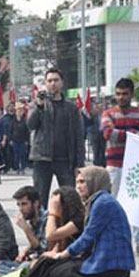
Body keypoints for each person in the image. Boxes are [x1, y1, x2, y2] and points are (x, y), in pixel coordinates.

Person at [51, 166, 135, 277]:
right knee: (61, 269)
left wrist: (64, 254)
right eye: (77, 182)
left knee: (58, 273)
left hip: (113, 263)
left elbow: (87, 236)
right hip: (111, 261)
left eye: (83, 182)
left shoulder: (103, 203)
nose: (78, 186)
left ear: (94, 181)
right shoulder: (99, 200)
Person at [101, 78, 139, 256]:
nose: (121, 97)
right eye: (118, 94)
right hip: (114, 165)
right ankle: (116, 241)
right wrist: (132, 134)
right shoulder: (108, 113)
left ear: (132, 94)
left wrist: (120, 133)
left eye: (125, 94)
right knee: (113, 205)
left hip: (136, 166)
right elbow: (107, 133)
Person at [27, 68, 85, 209]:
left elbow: (79, 137)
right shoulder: (38, 105)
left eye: (56, 80)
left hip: (65, 160)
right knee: (40, 199)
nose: (53, 83)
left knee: (69, 199)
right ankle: (41, 229)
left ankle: (69, 229)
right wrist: (39, 107)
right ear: (46, 83)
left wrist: (79, 163)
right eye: (50, 81)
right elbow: (30, 125)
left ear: (62, 83)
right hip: (42, 158)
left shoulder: (71, 108)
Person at [42, 186, 85, 255]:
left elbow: (50, 235)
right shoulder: (58, 220)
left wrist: (52, 213)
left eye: (55, 205)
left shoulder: (78, 220)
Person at [12, 186, 46, 262]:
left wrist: (26, 229)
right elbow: (36, 241)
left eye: (24, 204)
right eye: (18, 205)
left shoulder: (47, 219)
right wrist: (25, 252)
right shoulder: (32, 219)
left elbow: (41, 249)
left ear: (36, 203)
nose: (20, 209)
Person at [10, 102, 29, 175]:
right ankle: (17, 168)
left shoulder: (24, 121)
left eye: (21, 111)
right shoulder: (13, 121)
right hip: (15, 140)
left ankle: (23, 168)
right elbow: (10, 131)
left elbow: (27, 131)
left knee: (23, 155)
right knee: (16, 155)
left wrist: (27, 140)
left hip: (22, 140)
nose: (19, 112)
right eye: (18, 111)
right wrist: (10, 139)